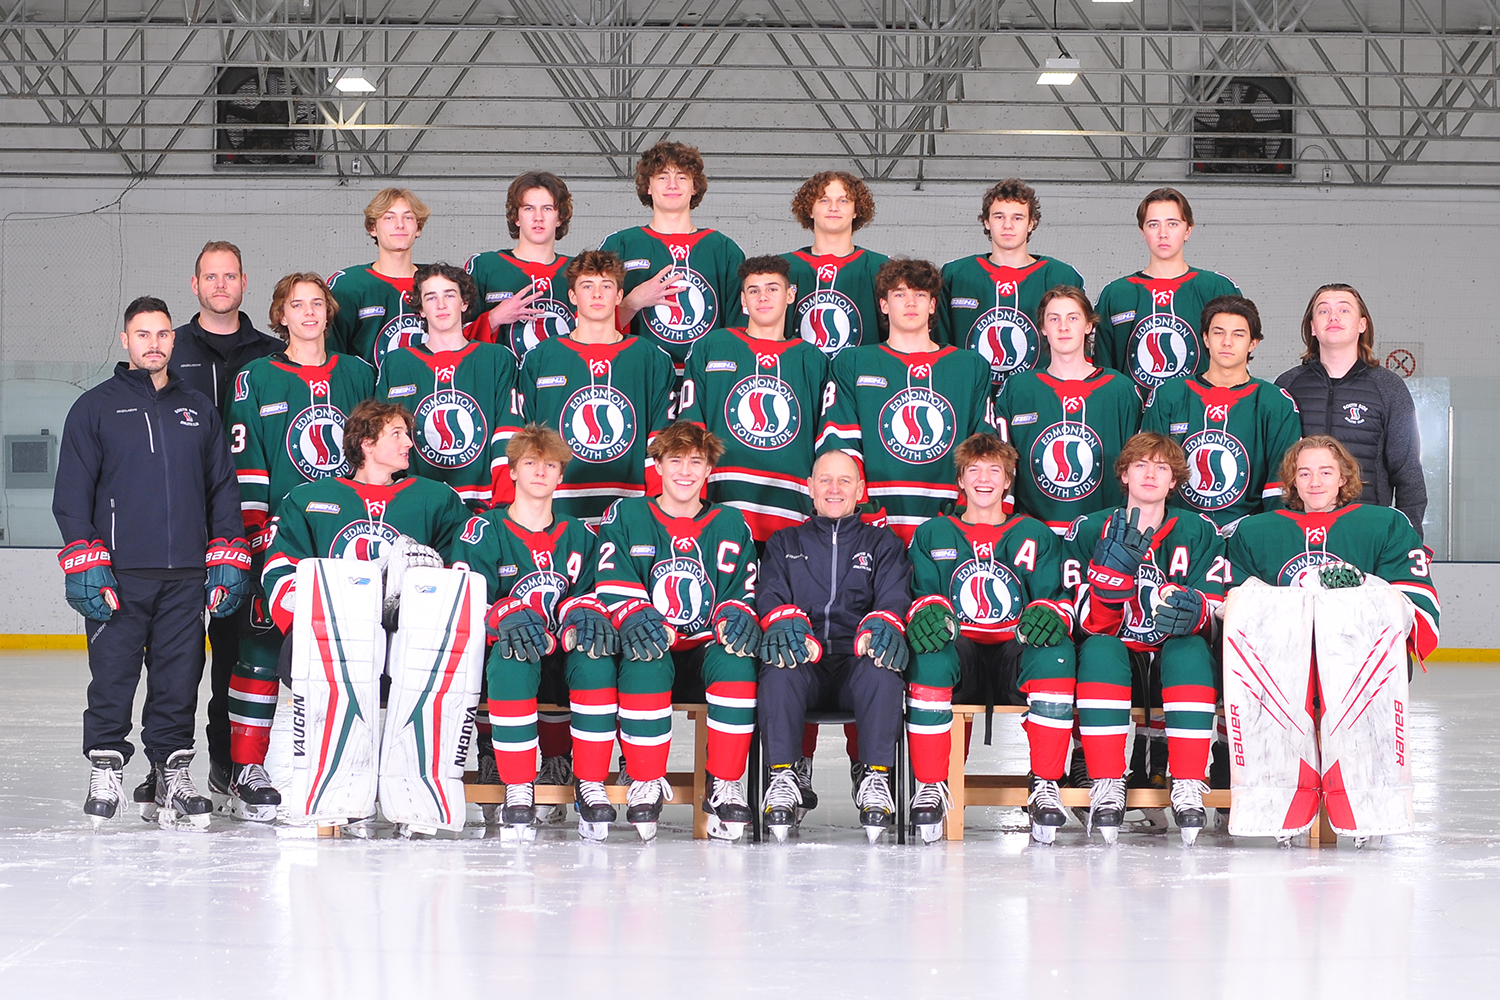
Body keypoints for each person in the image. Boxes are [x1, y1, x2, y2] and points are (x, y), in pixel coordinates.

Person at [54, 296, 251, 831]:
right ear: (126, 340)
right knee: (112, 677)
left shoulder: (197, 409)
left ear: (173, 340)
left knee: (179, 680)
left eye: (162, 334)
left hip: (186, 575)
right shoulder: (94, 407)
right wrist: (83, 557)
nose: (154, 343)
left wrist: (227, 550)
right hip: (118, 576)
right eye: (143, 334)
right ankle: (105, 767)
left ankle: (171, 771)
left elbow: (222, 488)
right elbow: (71, 495)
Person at [256, 402, 469, 822]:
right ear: (366, 443)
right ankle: (338, 787)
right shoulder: (308, 499)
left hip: (411, 642)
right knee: (310, 654)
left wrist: (433, 579)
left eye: (408, 434)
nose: (409, 443)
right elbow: (280, 570)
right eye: (397, 434)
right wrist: (324, 614)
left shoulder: (436, 499)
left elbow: (464, 565)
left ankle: (414, 789)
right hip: (337, 643)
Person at [1221, 436, 1439, 842]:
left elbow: (1413, 597)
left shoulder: (1385, 525)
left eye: (1325, 472)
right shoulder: (1255, 531)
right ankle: (1277, 807)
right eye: (1304, 473)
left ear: (1343, 478)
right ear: (1292, 481)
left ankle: (1368, 809)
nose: (1315, 482)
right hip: (1283, 664)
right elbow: (1231, 597)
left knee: (1360, 701)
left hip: (1357, 662)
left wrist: (1364, 585)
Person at [220, 272, 375, 820]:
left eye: (316, 303)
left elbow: (375, 455)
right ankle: (247, 769)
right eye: (296, 304)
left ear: (328, 313)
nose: (308, 312)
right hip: (281, 537)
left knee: (354, 656)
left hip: (347, 538)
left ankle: (349, 768)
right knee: (261, 647)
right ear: (280, 316)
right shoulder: (256, 377)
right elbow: (246, 462)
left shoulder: (359, 373)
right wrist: (253, 536)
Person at [450, 425, 620, 839]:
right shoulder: (483, 530)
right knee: (513, 652)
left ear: (561, 475)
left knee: (596, 656)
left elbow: (594, 595)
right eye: (530, 463)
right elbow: (466, 598)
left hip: (563, 655)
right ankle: (518, 785)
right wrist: (502, 613)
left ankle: (589, 781)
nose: (541, 472)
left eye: (550, 465)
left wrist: (581, 614)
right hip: (506, 656)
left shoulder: (582, 535)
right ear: (512, 471)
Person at [904, 433, 1076, 843]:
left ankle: (1045, 783)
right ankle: (931, 784)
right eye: (974, 470)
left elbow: (1058, 599)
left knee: (1055, 650)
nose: (984, 478)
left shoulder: (1035, 534)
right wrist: (926, 612)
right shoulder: (932, 534)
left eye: (994, 470)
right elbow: (919, 595)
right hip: (961, 654)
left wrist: (1050, 613)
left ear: (1007, 480)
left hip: (1013, 655)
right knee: (929, 651)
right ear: (960, 480)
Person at [592, 423, 759, 842]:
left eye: (695, 462)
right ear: (659, 465)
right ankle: (645, 778)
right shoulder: (626, 515)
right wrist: (640, 615)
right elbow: (612, 581)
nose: (685, 471)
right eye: (675, 460)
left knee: (737, 659)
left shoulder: (731, 522)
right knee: (645, 652)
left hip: (704, 648)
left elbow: (742, 593)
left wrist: (734, 616)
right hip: (652, 645)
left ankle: (725, 783)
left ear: (709, 469)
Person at [1062, 432, 1227, 845]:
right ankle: (1105, 781)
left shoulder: (1199, 531)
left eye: (1161, 467)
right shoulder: (1089, 529)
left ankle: (1187, 781)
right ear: (1124, 474)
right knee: (1100, 649)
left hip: (1173, 662)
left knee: (1190, 647)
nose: (1150, 474)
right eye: (1140, 465)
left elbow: (1218, 606)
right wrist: (1107, 591)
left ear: (1174, 480)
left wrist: (1197, 611)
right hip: (1116, 660)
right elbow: (1084, 623)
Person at [167, 240, 281, 795]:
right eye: (210, 276)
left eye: (229, 276)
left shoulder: (272, 352)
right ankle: (169, 764)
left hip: (246, 518)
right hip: (183, 517)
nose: (220, 285)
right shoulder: (172, 348)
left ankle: (227, 763)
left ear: (243, 283)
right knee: (178, 654)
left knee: (234, 651)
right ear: (195, 285)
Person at [756, 450, 913, 843]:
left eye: (844, 480)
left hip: (854, 663)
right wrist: (787, 622)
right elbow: (770, 594)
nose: (834, 488)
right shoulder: (783, 542)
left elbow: (894, 597)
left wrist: (878, 627)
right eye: (825, 479)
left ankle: (876, 779)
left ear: (860, 490)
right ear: (810, 487)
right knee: (779, 664)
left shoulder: (883, 544)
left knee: (883, 667)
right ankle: (782, 777)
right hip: (805, 662)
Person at [817, 257, 996, 542]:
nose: (910, 303)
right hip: (872, 525)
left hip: (950, 521)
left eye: (920, 295)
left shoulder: (969, 366)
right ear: (884, 305)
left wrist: (967, 510)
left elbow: (984, 446)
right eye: (900, 294)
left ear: (933, 305)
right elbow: (838, 442)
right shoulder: (853, 363)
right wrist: (862, 508)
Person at [678, 255, 829, 544]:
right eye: (754, 290)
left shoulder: (813, 359)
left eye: (772, 288)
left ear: (790, 295)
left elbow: (823, 438)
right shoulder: (712, 347)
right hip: (724, 499)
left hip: (791, 508)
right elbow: (691, 428)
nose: (763, 297)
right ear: (743, 300)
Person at [517, 250, 675, 525]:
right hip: (557, 510)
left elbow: (660, 439)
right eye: (587, 286)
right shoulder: (541, 357)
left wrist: (655, 508)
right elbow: (525, 437)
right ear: (572, 296)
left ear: (619, 295)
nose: (597, 294)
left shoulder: (650, 358)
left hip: (631, 509)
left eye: (606, 286)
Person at [1274, 284, 1427, 536]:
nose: (1333, 317)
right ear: (1312, 327)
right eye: (1323, 311)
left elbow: (1407, 472)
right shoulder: (1287, 386)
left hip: (1367, 531)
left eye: (1344, 310)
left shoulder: (1389, 387)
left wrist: (1409, 538)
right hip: (1298, 533)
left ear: (1362, 325)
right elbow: (1271, 467)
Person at [1142, 295, 1302, 533]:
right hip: (1178, 532)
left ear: (1253, 343)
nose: (1227, 342)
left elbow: (1279, 486)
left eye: (1238, 334)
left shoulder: (1276, 403)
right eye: (1219, 333)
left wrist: (1264, 535)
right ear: (1206, 338)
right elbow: (1147, 471)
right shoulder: (1169, 395)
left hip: (1247, 534)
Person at [994, 286, 1142, 533]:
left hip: (1101, 534)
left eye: (1073, 318)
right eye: (1054, 319)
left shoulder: (1120, 390)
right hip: (1034, 535)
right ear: (1043, 327)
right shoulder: (1018, 389)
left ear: (1089, 325)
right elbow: (1002, 464)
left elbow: (1136, 464)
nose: (1063, 327)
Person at [377, 262, 521, 508]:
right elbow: (382, 438)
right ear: (421, 308)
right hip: (416, 504)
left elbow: (508, 432)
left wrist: (505, 504)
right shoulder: (397, 363)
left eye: (450, 295)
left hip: (483, 504)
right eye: (431, 297)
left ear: (464, 303)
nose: (441, 305)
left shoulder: (496, 358)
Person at [599, 141, 746, 378]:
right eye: (662, 177)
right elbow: (591, 327)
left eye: (682, 177)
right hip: (637, 378)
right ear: (648, 186)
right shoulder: (619, 245)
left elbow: (740, 330)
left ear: (694, 187)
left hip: (706, 381)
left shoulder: (723, 249)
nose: (672, 185)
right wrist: (631, 303)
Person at [1093, 188, 1241, 401]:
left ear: (1188, 230)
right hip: (1136, 418)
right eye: (1153, 224)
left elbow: (1237, 364)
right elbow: (1104, 373)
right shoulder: (1116, 294)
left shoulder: (1217, 288)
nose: (1163, 233)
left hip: (1201, 415)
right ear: (1142, 231)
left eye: (1173, 223)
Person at [937, 179, 1086, 388]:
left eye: (1017, 217)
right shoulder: (956, 275)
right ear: (987, 222)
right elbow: (939, 346)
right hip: (971, 397)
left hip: (1039, 398)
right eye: (999, 216)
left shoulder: (1061, 276)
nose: (1008, 225)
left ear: (1031, 223)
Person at [462, 171, 577, 363]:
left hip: (561, 378)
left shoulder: (579, 270)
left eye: (547, 208)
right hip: (501, 379)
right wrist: (493, 319)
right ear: (516, 217)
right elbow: (451, 337)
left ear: (560, 218)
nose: (538, 217)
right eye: (529, 208)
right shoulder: (484, 266)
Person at [779, 170, 889, 357]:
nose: (833, 207)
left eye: (843, 200)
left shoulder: (881, 268)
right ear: (809, 209)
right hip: (799, 373)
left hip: (860, 373)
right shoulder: (782, 268)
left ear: (856, 210)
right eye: (824, 200)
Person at [328, 188, 430, 369]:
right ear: (373, 228)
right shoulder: (349, 285)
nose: (400, 225)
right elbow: (331, 356)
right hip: (369, 387)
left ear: (418, 228)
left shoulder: (441, 282)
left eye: (408, 217)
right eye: (389, 217)